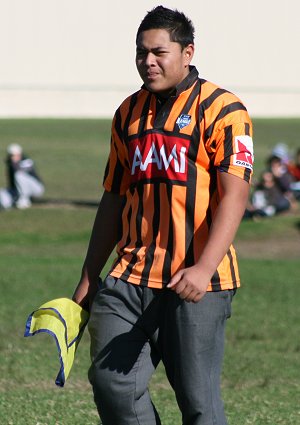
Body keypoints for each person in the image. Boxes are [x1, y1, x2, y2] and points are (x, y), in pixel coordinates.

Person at [72, 6, 253, 425]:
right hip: (130, 278)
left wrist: (204, 268)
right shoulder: (127, 112)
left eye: (159, 52)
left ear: (188, 52)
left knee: (199, 403)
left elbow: (235, 197)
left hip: (198, 284)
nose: (147, 61)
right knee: (110, 383)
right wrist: (87, 277)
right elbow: (114, 197)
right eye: (140, 52)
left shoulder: (225, 109)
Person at [0, 144, 45, 210]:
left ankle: (24, 200)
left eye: (16, 155)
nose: (14, 157)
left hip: (36, 188)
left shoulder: (26, 161)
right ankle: (8, 204)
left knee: (19, 175)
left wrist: (14, 163)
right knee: (2, 193)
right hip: (17, 190)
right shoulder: (10, 164)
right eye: (12, 155)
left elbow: (19, 171)